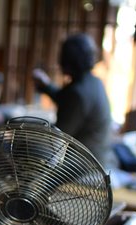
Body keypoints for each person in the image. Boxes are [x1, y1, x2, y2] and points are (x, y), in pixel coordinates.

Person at [33, 32, 119, 170]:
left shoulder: (78, 93)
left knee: (24, 151)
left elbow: (58, 135)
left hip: (82, 164)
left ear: (68, 61)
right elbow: (66, 99)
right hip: (98, 156)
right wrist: (47, 86)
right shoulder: (93, 82)